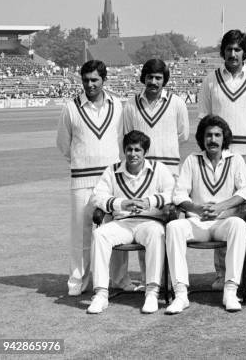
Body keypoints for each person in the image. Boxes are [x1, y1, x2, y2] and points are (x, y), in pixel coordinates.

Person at [198, 29, 246, 290]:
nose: (233, 53)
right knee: (223, 210)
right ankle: (223, 273)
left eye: (238, 49)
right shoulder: (210, 80)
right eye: (228, 49)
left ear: (244, 52)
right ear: (223, 52)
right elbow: (205, 119)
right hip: (222, 153)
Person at [165, 116, 246, 314]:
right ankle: (180, 294)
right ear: (202, 138)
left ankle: (230, 290)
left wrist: (222, 206)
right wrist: (196, 208)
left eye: (217, 135)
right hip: (198, 222)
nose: (213, 140)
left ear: (224, 138)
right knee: (173, 227)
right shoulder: (192, 160)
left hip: (224, 222)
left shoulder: (235, 159)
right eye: (208, 135)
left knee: (239, 225)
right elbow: (179, 194)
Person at [87, 130, 175, 314]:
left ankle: (151, 292)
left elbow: (173, 193)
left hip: (150, 221)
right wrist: (121, 203)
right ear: (123, 151)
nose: (133, 154)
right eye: (129, 150)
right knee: (99, 234)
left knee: (156, 233)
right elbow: (96, 197)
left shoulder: (159, 169)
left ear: (145, 152)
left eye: (137, 150)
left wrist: (149, 202)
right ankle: (101, 294)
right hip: (122, 222)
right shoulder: (112, 171)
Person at [119, 58, 189, 290]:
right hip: (142, 173)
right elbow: (127, 138)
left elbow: (183, 134)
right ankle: (151, 280)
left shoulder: (177, 103)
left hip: (170, 170)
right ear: (144, 78)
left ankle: (171, 280)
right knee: (145, 223)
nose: (153, 82)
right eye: (150, 77)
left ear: (164, 80)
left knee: (172, 226)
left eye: (158, 78)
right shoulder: (130, 105)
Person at [56, 60, 123, 296]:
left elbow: (122, 140)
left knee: (115, 231)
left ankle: (119, 279)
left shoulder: (118, 105)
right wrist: (81, 162)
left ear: (104, 80)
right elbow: (64, 144)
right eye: (86, 80)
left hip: (111, 181)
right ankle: (78, 281)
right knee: (81, 234)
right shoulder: (71, 107)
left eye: (95, 79)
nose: (90, 84)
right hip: (81, 180)